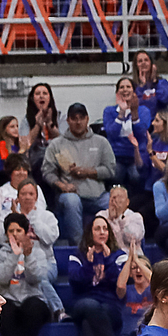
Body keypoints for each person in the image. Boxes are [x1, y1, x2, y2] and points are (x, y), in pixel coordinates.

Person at [44, 103, 115, 246]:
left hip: (97, 194)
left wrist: (88, 172)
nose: (78, 122)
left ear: (87, 119)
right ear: (68, 120)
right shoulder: (57, 144)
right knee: (71, 201)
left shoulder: (101, 142)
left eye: (81, 118)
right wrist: (62, 185)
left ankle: (112, 244)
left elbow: (111, 170)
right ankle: (78, 246)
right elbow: (47, 171)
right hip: (70, 194)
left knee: (112, 201)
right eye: (74, 118)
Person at [67, 213, 127, 336]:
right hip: (83, 302)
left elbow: (120, 282)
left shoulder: (119, 255)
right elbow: (75, 281)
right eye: (97, 229)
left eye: (105, 229)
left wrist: (108, 260)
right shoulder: (78, 255)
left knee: (88, 324)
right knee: (90, 305)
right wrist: (88, 265)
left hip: (110, 305)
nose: (102, 232)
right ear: (90, 232)